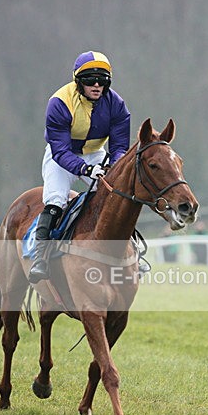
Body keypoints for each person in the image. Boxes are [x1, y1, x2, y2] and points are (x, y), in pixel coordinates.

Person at [29, 50, 131, 283]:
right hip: (61, 157)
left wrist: (113, 167)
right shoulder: (59, 103)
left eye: (102, 80)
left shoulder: (117, 105)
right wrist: (84, 170)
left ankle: (128, 253)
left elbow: (119, 147)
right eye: (89, 79)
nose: (96, 85)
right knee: (55, 200)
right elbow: (61, 151)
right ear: (78, 81)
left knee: (116, 196)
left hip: (95, 154)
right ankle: (40, 258)